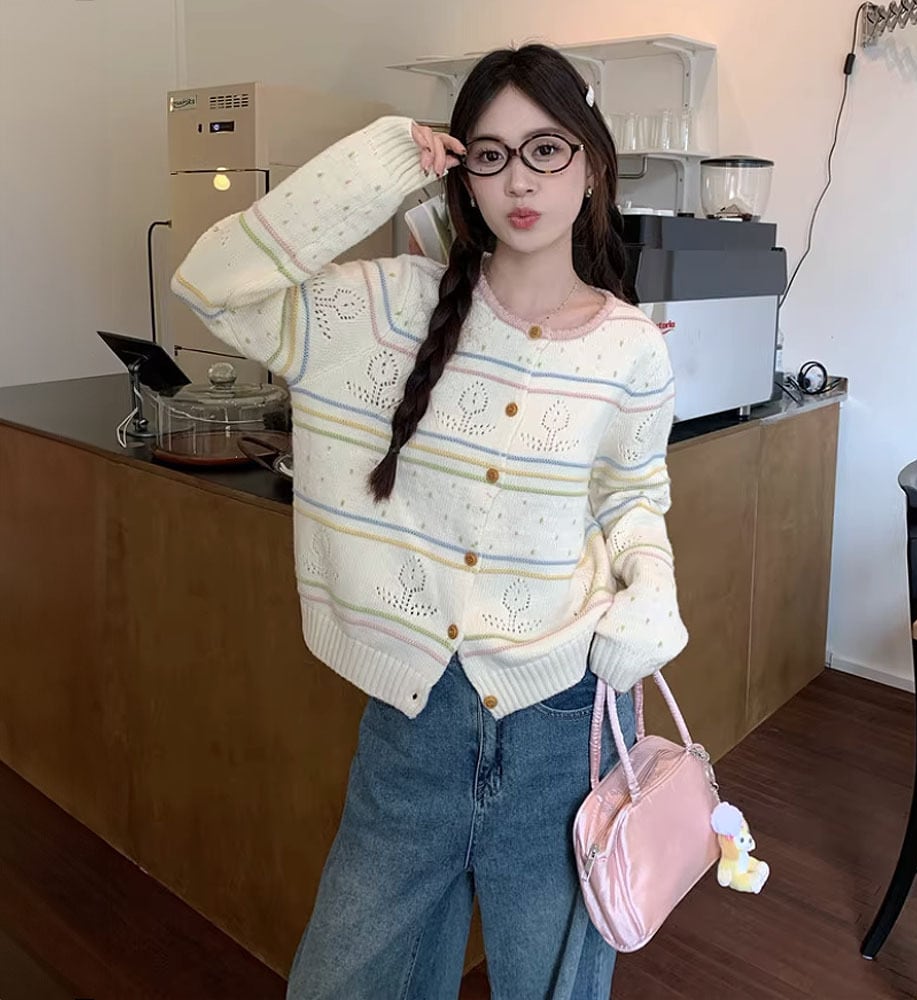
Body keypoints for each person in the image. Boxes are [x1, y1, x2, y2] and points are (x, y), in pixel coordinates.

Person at [172, 42, 688, 1000]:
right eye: (490, 155)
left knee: (552, 987)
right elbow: (212, 283)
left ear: (591, 164)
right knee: (341, 982)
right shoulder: (386, 308)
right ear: (463, 175)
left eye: (545, 149)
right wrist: (375, 167)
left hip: (564, 724)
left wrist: (651, 584)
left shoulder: (631, 348)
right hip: (416, 724)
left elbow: (630, 496)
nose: (519, 181)